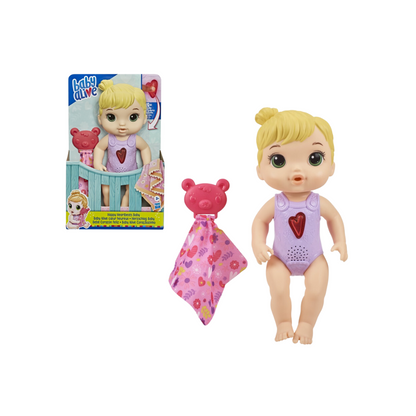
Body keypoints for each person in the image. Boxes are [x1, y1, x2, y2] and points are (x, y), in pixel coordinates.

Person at [252, 108, 348, 344]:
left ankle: (306, 324)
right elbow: (260, 221)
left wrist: (340, 241)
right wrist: (258, 243)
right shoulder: (276, 203)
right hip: (279, 258)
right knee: (279, 290)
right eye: (279, 160)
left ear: (332, 166)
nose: (297, 171)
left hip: (314, 258)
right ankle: (283, 322)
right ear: (260, 170)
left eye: (314, 158)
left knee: (316, 291)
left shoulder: (318, 202)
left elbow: (334, 217)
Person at [93, 80, 151, 207]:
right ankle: (110, 210)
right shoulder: (109, 139)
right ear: (100, 119)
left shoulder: (135, 139)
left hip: (132, 173)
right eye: (111, 117)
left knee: (133, 191)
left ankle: (124, 209)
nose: (122, 124)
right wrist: (97, 163)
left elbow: (145, 148)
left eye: (133, 117)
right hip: (110, 172)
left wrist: (147, 165)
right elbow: (99, 148)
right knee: (106, 191)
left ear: (144, 118)